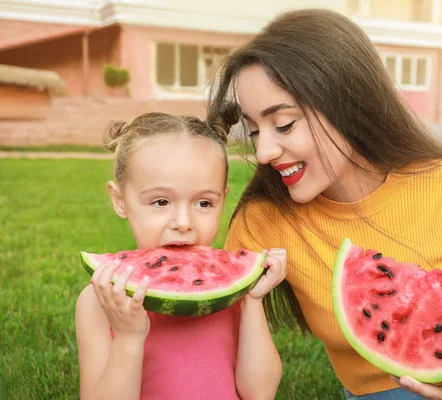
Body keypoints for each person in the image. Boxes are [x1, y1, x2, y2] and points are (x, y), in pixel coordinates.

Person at [208, 8, 442, 400]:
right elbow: (217, 350)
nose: (265, 151)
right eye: (254, 130)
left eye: (285, 124)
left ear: (346, 103)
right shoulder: (264, 222)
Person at [75, 111, 285, 399]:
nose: (183, 221)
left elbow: (259, 392)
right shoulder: (99, 301)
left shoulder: (236, 294)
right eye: (161, 201)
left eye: (203, 202)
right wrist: (128, 337)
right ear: (120, 200)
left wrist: (252, 300)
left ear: (222, 200)